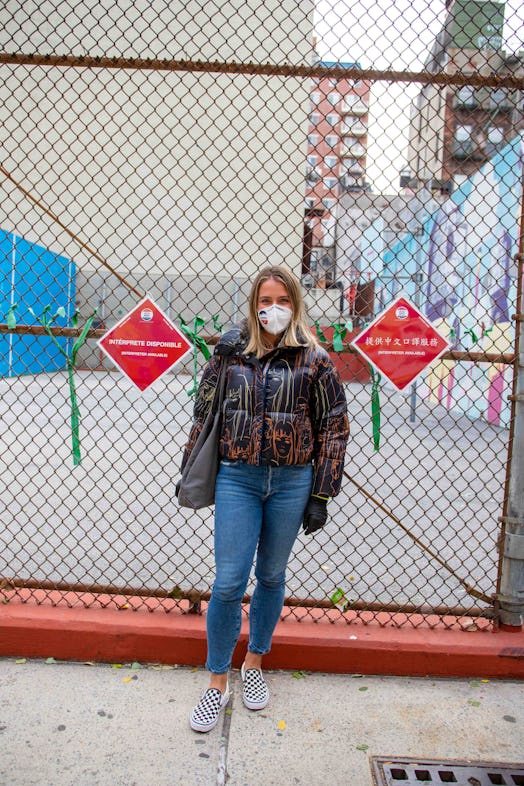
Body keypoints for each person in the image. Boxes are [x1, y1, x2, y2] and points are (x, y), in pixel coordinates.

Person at [180, 265, 349, 733]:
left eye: (282, 301)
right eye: (264, 300)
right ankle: (217, 680)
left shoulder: (315, 359)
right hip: (239, 478)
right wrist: (219, 359)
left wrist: (322, 492)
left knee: (272, 575)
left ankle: (254, 663)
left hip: (292, 481)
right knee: (229, 581)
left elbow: (333, 427)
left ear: (295, 305)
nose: (272, 309)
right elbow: (203, 410)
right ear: (254, 304)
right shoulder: (233, 353)